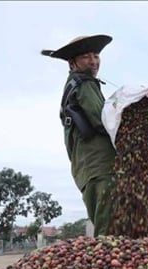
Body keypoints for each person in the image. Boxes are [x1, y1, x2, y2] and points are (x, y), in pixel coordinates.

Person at [42, 35, 116, 237]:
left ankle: (110, 259)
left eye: (96, 56)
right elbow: (102, 120)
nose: (93, 61)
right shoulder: (84, 83)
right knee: (109, 226)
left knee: (106, 219)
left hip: (86, 166)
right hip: (99, 163)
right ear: (72, 62)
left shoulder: (76, 84)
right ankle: (109, 262)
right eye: (86, 57)